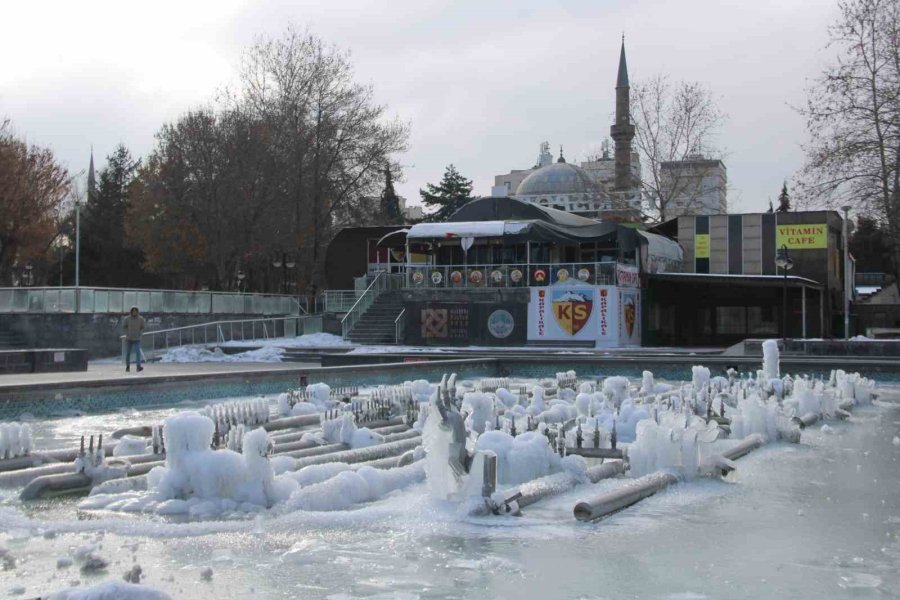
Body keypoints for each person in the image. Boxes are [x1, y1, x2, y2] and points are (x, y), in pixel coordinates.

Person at [123, 306, 145, 372]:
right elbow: (124, 326)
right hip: (129, 338)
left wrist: (140, 333)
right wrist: (127, 333)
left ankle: (138, 366)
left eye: (136, 311)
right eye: (133, 311)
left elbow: (143, 327)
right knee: (128, 353)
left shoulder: (141, 319)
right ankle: (127, 366)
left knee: (138, 352)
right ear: (131, 312)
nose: (134, 312)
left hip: (137, 338)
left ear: (137, 312)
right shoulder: (127, 319)